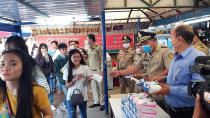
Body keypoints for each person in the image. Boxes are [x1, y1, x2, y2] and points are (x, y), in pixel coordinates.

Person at [151, 25, 205, 118]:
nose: (170, 40)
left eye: (171, 37)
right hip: (171, 109)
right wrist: (164, 79)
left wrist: (169, 90)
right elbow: (180, 78)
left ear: (179, 39)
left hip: (187, 112)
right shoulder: (176, 56)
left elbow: (197, 89)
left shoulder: (198, 58)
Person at [110, 31, 174, 111]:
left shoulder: (165, 51)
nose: (144, 46)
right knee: (150, 112)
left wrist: (157, 77)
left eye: (146, 43)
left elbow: (170, 69)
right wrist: (119, 72)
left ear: (154, 40)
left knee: (162, 112)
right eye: (142, 44)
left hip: (162, 90)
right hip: (150, 90)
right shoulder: (145, 54)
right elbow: (135, 68)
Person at [0, 49, 53, 118]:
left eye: (13, 64)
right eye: (2, 64)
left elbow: (49, 114)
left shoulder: (36, 91)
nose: (5, 68)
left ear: (23, 68)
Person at [63, 49, 92, 118]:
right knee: (72, 116)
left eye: (78, 57)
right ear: (70, 58)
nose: (77, 59)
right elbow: (67, 85)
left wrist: (88, 79)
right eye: (74, 57)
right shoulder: (67, 70)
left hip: (83, 96)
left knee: (84, 115)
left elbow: (88, 82)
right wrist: (75, 79)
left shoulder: (85, 68)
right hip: (71, 97)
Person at [35, 43, 56, 111]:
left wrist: (53, 73)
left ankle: (51, 104)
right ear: (40, 49)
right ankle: (43, 104)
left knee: (50, 90)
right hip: (42, 77)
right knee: (43, 90)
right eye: (42, 48)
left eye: (45, 48)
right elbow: (40, 66)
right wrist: (43, 57)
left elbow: (52, 65)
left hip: (50, 75)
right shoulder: (38, 56)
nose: (44, 49)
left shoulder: (49, 56)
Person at [87, 34, 105, 111]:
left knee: (101, 88)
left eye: (87, 39)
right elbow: (89, 60)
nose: (87, 41)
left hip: (98, 71)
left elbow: (102, 59)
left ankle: (103, 103)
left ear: (91, 39)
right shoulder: (89, 49)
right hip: (91, 71)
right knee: (94, 88)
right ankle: (96, 102)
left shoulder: (99, 48)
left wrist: (102, 71)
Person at [54, 43, 68, 108]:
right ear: (60, 50)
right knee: (67, 94)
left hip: (70, 79)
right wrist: (62, 80)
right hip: (63, 80)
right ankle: (69, 108)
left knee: (69, 94)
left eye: (66, 49)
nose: (65, 51)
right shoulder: (57, 60)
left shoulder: (68, 57)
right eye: (63, 49)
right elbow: (56, 72)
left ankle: (64, 103)